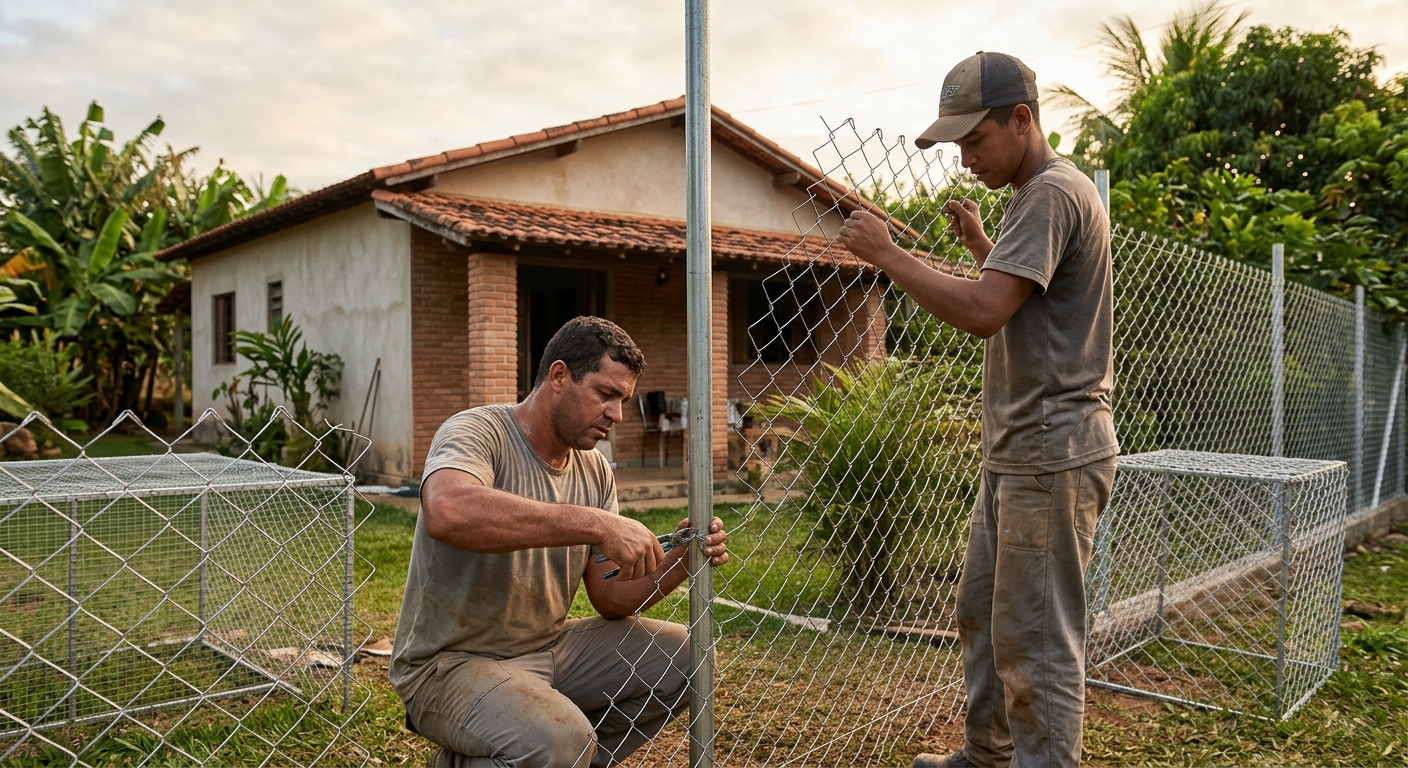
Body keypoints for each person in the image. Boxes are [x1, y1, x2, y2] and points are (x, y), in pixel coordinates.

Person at [837, 51, 1118, 768]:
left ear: (1022, 120)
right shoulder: (1042, 197)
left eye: (974, 140)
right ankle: (986, 756)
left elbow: (987, 311)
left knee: (1037, 645)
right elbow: (1028, 296)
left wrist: (888, 254)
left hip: (1050, 455)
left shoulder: (1051, 192)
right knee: (985, 619)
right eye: (957, 144)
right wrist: (984, 248)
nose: (965, 159)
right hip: (1021, 454)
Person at [389, 316, 729, 768]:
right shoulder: (477, 431)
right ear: (559, 376)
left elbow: (608, 596)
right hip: (448, 666)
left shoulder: (594, 470)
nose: (617, 414)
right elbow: (448, 511)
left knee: (691, 655)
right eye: (606, 395)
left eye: (623, 400)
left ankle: (558, 759)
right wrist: (596, 524)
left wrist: (681, 561)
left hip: (548, 650)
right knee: (562, 739)